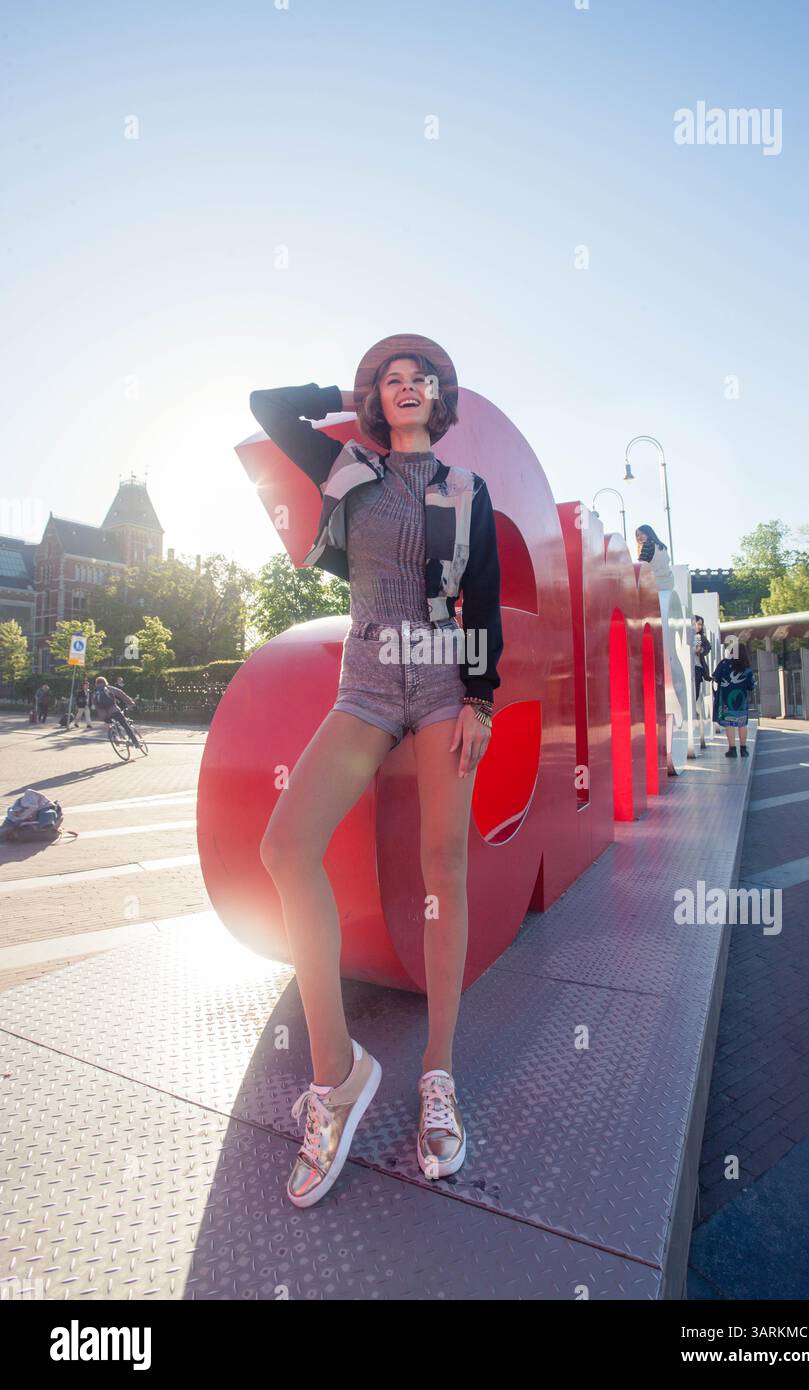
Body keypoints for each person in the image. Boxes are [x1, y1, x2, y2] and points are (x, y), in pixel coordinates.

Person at [249, 333, 503, 1208]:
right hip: (364, 682)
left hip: (440, 681)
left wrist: (482, 699)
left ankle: (438, 1076)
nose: (405, 386)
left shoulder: (467, 491)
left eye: (418, 377)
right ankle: (338, 1072)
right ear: (377, 397)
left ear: (441, 395)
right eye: (389, 379)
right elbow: (266, 406)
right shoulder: (347, 466)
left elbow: (483, 598)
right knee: (284, 850)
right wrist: (342, 387)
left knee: (446, 867)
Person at [712, 643, 755, 757]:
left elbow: (715, 678)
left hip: (726, 699)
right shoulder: (747, 668)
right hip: (741, 701)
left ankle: (732, 749)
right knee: (742, 724)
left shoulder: (724, 664)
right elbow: (751, 686)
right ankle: (743, 749)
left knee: (729, 723)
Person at [91, 676, 140, 747]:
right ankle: (136, 743)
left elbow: (95, 705)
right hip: (114, 711)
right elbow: (122, 694)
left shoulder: (95, 692)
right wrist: (131, 703)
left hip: (104, 715)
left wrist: (101, 715)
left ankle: (115, 739)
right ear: (105, 682)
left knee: (110, 725)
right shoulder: (109, 688)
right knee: (125, 725)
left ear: (96, 684)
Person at [635, 524, 674, 591]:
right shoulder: (662, 546)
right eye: (637, 535)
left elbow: (640, 567)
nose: (639, 537)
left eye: (642, 533)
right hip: (668, 582)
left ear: (649, 533)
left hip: (655, 583)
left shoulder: (647, 545)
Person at [694, 615, 711, 702]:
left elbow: (708, 647)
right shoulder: (685, 635)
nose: (699, 626)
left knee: (695, 693)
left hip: (697, 668)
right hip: (686, 667)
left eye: (701, 625)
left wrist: (701, 649)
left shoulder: (700, 637)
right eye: (698, 624)